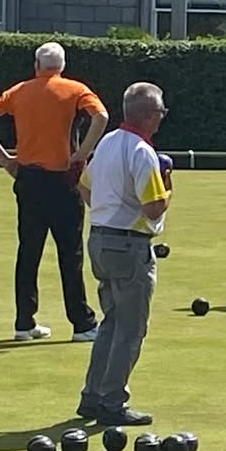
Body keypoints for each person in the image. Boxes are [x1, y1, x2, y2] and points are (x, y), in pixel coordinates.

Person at [0, 41, 109, 342]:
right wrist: (83, 153)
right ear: (61, 67)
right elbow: (101, 117)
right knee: (69, 253)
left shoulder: (19, 90)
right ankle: (82, 323)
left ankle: (24, 322)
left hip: (28, 179)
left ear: (37, 65)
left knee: (29, 251)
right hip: (63, 179)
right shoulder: (75, 89)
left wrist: (4, 160)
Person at [76, 82, 171, 426]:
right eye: (160, 112)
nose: (161, 118)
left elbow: (85, 188)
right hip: (129, 245)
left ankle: (92, 395)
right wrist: (168, 187)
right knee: (130, 329)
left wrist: (109, 208)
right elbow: (154, 208)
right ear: (148, 116)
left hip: (100, 238)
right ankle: (112, 402)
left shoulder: (107, 142)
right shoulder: (142, 152)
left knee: (111, 323)